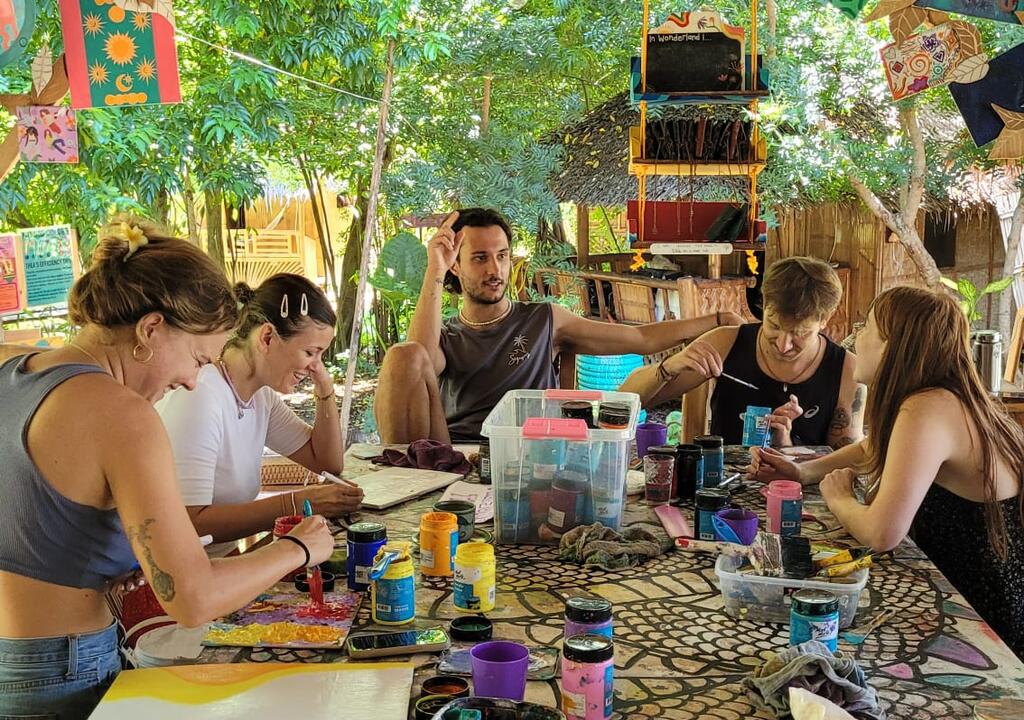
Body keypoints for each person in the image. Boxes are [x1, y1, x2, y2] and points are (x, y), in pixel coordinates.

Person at [0, 220, 334, 718]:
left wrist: (104, 563)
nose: (194, 381)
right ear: (151, 329)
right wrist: (298, 548)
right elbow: (193, 599)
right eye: (198, 359)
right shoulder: (122, 413)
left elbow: (34, 524)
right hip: (63, 670)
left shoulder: (14, 374)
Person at [752, 286, 1024, 657]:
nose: (857, 336)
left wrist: (840, 499)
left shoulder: (926, 409)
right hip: (974, 598)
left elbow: (881, 534)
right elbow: (874, 447)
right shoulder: (941, 398)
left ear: (892, 346)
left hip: (984, 623)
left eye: (867, 326)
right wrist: (804, 472)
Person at [375, 208, 743, 443]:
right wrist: (435, 270)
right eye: (480, 258)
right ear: (455, 265)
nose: (495, 269)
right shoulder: (445, 335)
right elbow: (418, 360)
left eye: (502, 256)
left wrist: (716, 319)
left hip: (531, 454)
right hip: (458, 456)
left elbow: (640, 338)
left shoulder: (543, 320)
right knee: (402, 355)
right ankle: (408, 482)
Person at [157, 274, 363, 554]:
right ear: (267, 338)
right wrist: (296, 503)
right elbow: (189, 524)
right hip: (188, 573)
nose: (316, 366)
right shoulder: (201, 395)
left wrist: (325, 389)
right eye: (310, 352)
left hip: (224, 564)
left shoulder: (260, 397)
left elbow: (326, 462)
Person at [621, 256, 863, 448]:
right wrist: (669, 366)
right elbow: (624, 402)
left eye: (799, 333)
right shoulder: (728, 342)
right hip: (721, 488)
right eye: (774, 326)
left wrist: (786, 447)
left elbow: (844, 464)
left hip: (802, 493)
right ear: (764, 306)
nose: (783, 345)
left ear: (824, 319)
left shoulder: (846, 371)